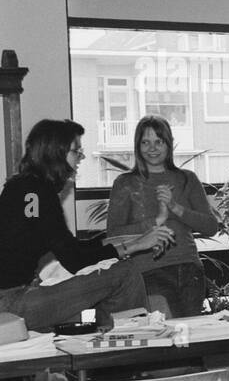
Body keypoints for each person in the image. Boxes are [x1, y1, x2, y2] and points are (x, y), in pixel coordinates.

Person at [0, 118, 175, 330]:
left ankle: (112, 339)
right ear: (56, 153)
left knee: (103, 300)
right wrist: (136, 245)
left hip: (13, 298)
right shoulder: (39, 192)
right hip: (12, 304)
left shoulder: (21, 186)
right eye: (76, 151)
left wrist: (133, 239)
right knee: (125, 272)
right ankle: (132, 349)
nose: (81, 157)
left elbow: (71, 248)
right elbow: (74, 259)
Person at [106, 116, 220, 318]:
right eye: (145, 142)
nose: (152, 148)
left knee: (189, 339)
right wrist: (157, 220)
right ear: (137, 146)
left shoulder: (187, 179)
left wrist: (176, 208)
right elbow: (114, 236)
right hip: (147, 273)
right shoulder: (125, 183)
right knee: (165, 337)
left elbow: (211, 226)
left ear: (169, 144)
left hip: (189, 270)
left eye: (159, 141)